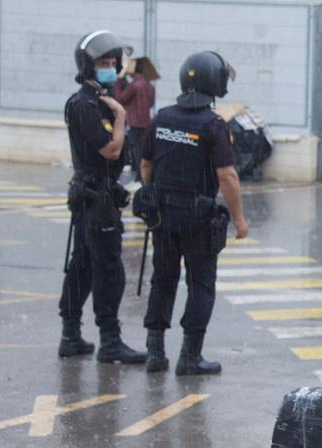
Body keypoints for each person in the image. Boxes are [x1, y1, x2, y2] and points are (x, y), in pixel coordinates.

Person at [138, 50, 249, 375]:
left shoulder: (163, 118)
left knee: (163, 280)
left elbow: (146, 165)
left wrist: (157, 194)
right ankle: (189, 356)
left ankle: (155, 354)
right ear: (213, 82)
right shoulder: (214, 126)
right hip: (198, 220)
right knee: (200, 284)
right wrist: (239, 219)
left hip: (163, 218)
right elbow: (227, 176)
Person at [57, 30, 146, 365]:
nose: (109, 68)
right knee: (107, 269)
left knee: (82, 264)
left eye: (112, 62)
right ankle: (109, 341)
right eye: (102, 63)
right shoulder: (85, 105)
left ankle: (71, 335)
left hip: (97, 195)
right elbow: (110, 150)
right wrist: (122, 117)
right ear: (87, 66)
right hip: (95, 198)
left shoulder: (99, 101)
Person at [113, 59, 155, 184]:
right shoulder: (149, 85)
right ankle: (140, 179)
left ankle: (139, 180)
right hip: (147, 122)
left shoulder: (134, 85)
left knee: (137, 153)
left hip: (136, 123)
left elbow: (120, 98)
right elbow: (151, 103)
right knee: (144, 152)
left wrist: (119, 79)